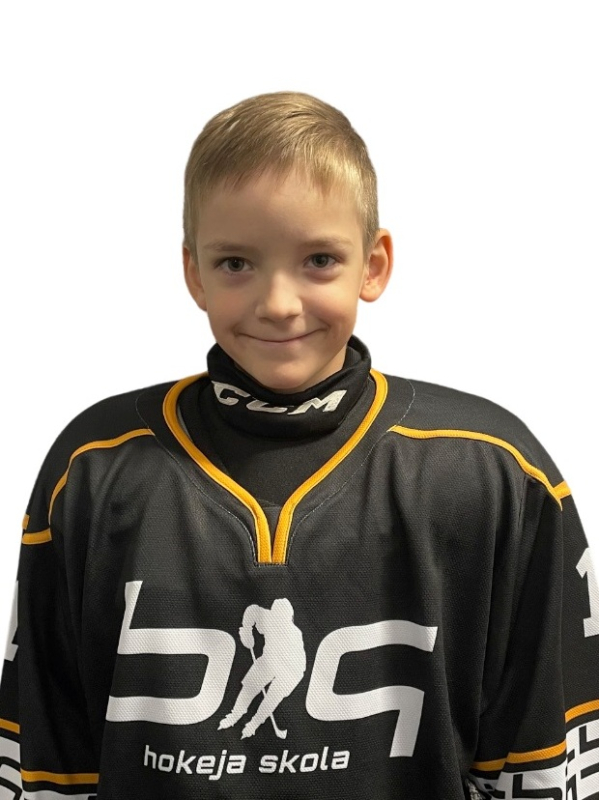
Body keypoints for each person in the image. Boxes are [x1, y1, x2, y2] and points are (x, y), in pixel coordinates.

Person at [0, 90, 597, 800]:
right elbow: (46, 759)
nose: (278, 303)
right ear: (192, 271)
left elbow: (542, 762)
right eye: (235, 263)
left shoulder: (492, 471)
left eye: (318, 259)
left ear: (373, 264)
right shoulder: (92, 469)